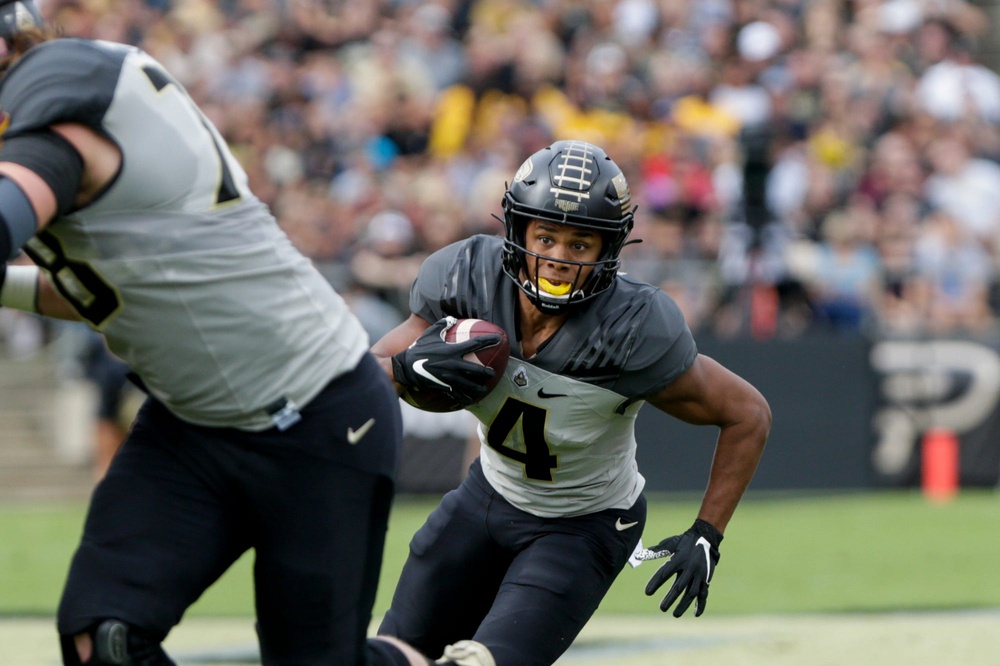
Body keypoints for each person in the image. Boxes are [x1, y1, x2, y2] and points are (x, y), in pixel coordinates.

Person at [0, 2, 454, 664]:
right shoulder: (62, 108)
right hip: (193, 425)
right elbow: (100, 292)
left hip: (317, 412)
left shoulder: (60, 99)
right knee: (102, 638)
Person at [371, 139, 771, 666]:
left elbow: (747, 413)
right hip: (486, 497)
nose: (558, 259)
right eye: (546, 237)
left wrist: (707, 533)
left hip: (583, 523)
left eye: (580, 245)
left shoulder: (632, 329)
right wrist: (402, 371)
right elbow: (364, 375)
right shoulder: (467, 278)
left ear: (608, 249)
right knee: (391, 654)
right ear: (517, 231)